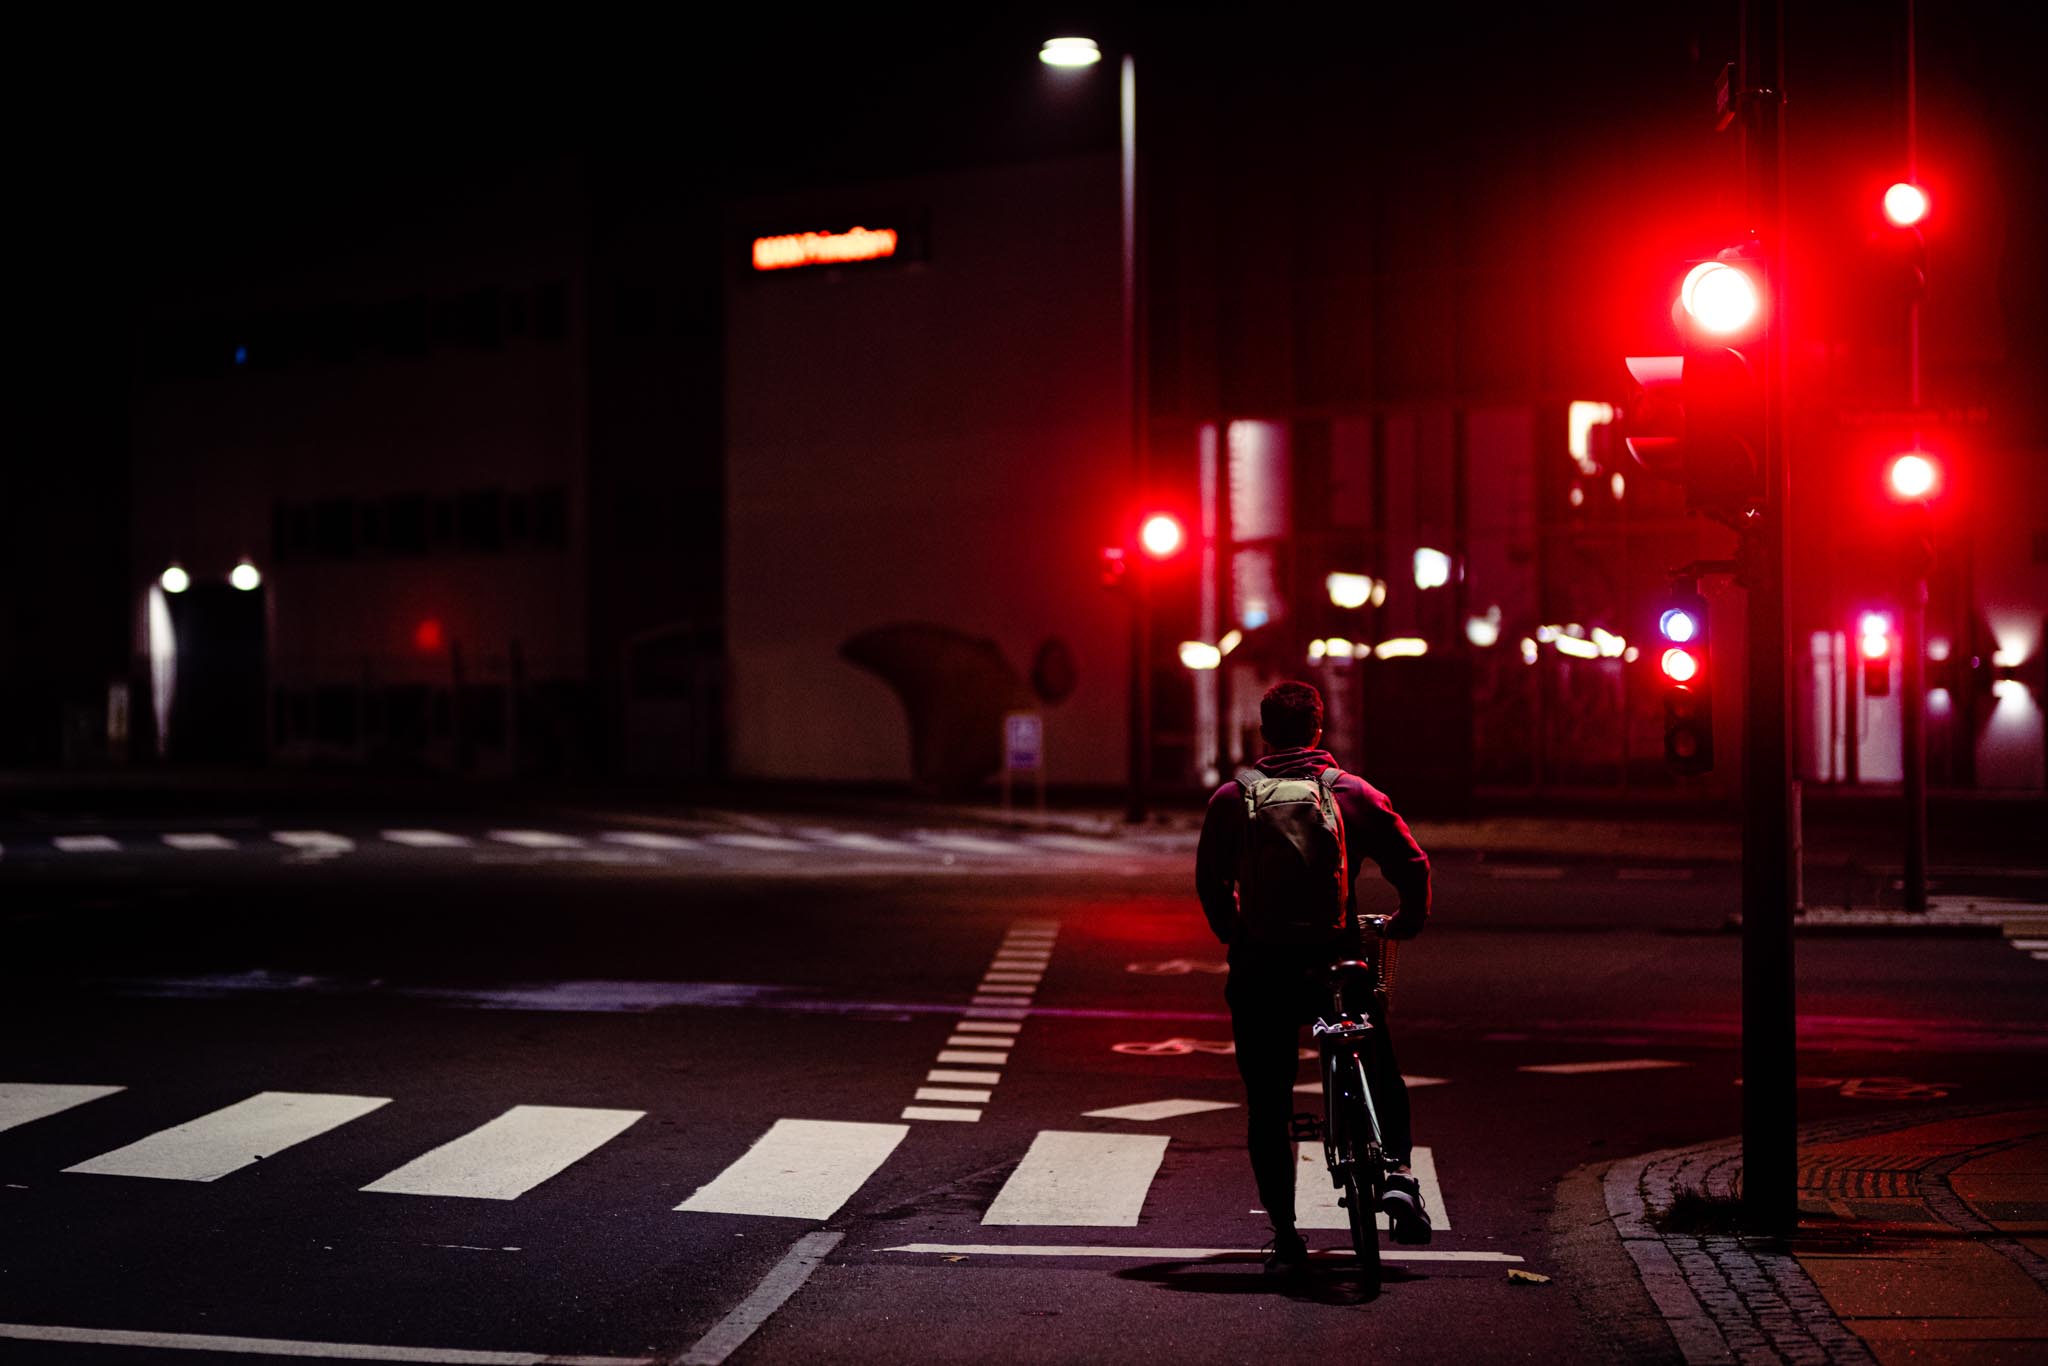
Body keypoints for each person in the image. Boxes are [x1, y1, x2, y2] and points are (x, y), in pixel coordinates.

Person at [1194, 679, 1434, 1274]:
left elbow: (1210, 885)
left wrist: (1237, 934)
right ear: (1319, 731)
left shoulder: (1232, 799)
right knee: (1377, 1058)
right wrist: (1408, 920)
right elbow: (1412, 863)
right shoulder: (1353, 794)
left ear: (1265, 732)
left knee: (1268, 1101)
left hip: (1263, 969)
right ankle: (1399, 1173)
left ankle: (1286, 1235)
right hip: (1337, 962)